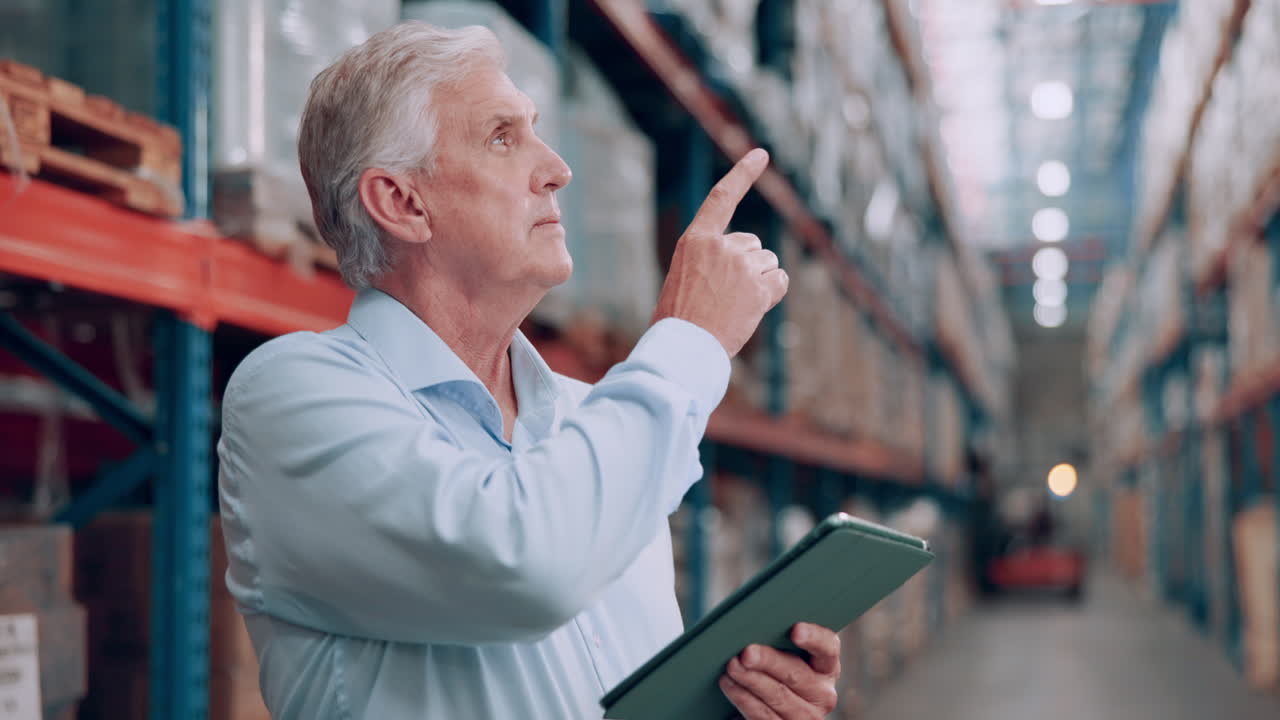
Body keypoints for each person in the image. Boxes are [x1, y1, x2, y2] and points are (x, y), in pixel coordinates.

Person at [217, 21, 841, 719]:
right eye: (502, 137)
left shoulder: (591, 417)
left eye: (536, 129)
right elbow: (526, 566)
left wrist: (740, 704)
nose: (557, 167)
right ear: (401, 202)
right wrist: (687, 337)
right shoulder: (294, 397)